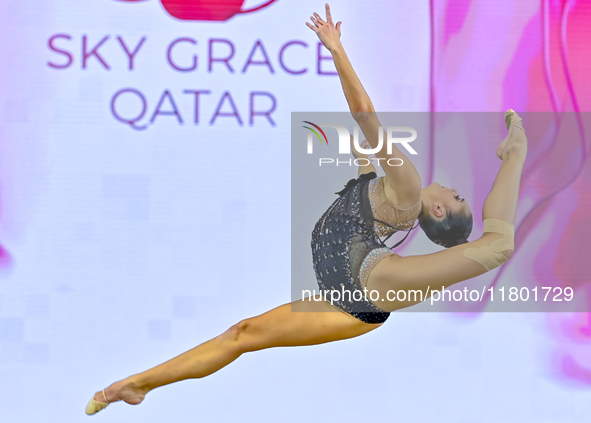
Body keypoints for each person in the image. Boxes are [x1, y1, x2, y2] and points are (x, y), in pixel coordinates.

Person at [85, 3, 527, 415]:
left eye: (458, 198)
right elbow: (364, 153)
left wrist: (337, 51)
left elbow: (365, 114)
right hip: (350, 296)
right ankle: (133, 385)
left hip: (372, 282)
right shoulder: (391, 192)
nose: (455, 189)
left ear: (436, 211)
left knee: (498, 245)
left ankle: (515, 154)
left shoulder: (409, 186)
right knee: (242, 334)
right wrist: (361, 159)